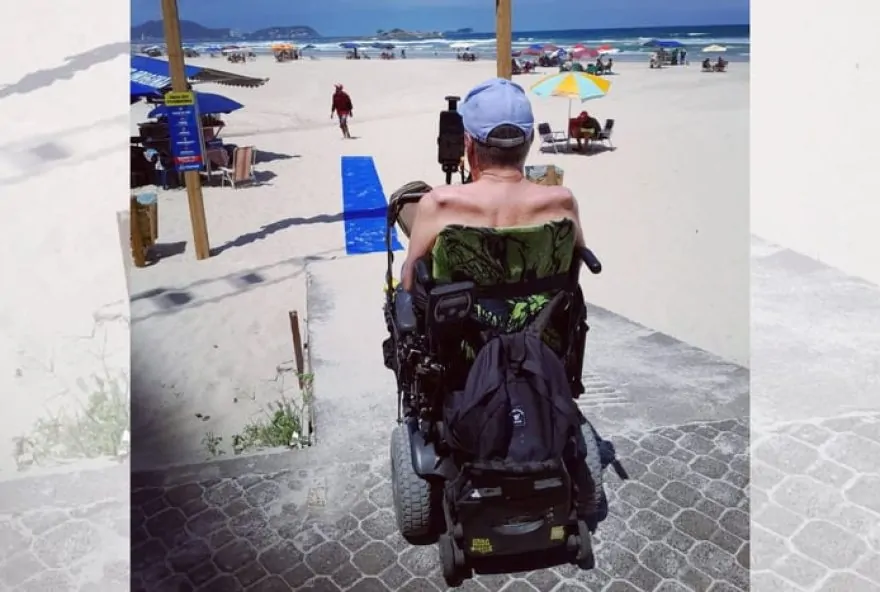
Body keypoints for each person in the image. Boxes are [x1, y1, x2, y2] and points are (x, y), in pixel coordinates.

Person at [396, 78, 586, 291]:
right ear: (531, 139)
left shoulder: (439, 205)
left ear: (468, 143)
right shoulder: (562, 203)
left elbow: (409, 282)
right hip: (546, 313)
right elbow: (574, 268)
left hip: (458, 314)